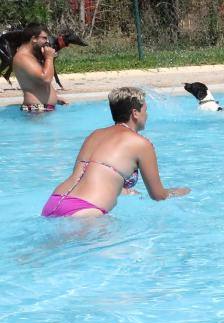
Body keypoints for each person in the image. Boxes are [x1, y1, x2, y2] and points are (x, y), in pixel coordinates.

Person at [41, 87, 190, 218]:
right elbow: (158, 195)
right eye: (145, 110)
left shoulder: (94, 135)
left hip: (53, 203)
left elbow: (90, 177)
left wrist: (124, 191)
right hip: (86, 210)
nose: (147, 115)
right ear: (135, 113)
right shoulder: (141, 143)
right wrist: (180, 192)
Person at [12, 23, 65, 112]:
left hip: (40, 109)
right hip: (36, 110)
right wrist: (49, 58)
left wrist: (56, 99)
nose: (47, 41)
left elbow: (36, 84)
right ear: (34, 39)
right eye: (44, 38)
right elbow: (45, 79)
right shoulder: (22, 57)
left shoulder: (30, 56)